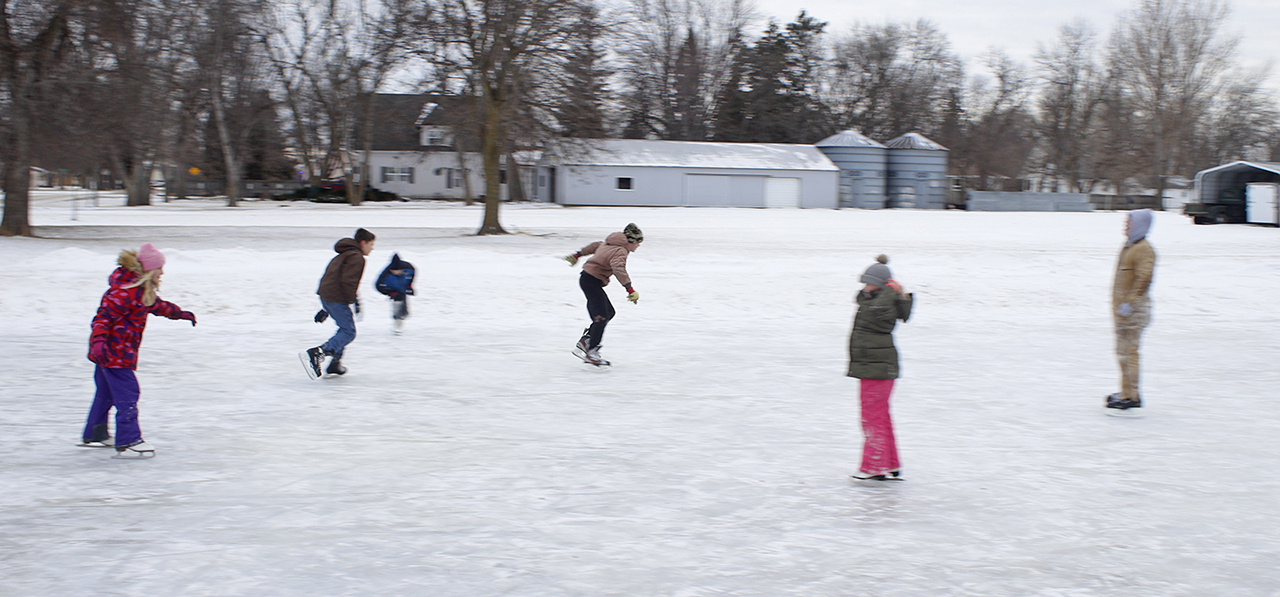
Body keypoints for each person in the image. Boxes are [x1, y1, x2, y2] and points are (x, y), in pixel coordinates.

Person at [82, 243, 197, 458]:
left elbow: (157, 306)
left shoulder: (139, 292)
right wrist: (98, 342)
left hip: (115, 353)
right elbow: (102, 318)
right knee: (128, 394)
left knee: (106, 394)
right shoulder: (124, 293)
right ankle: (129, 439)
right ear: (148, 270)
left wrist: (180, 314)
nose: (162, 273)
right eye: (159, 269)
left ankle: (95, 433)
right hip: (112, 354)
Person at [847, 255, 913, 481]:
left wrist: (893, 290)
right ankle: (890, 463)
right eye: (865, 283)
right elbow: (869, 301)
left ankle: (873, 466)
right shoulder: (878, 301)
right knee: (881, 417)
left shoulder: (882, 304)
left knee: (872, 418)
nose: (865, 287)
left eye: (870, 283)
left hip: (877, 368)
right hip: (874, 367)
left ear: (882, 285)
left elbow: (877, 306)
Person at [562, 223, 643, 366]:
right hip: (591, 281)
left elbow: (594, 246)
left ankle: (587, 340)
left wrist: (577, 254)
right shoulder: (621, 250)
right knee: (601, 317)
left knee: (609, 312)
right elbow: (618, 268)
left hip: (588, 279)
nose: (638, 246)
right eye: (638, 242)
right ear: (631, 241)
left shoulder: (609, 243)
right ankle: (591, 351)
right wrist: (629, 289)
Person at [302, 228, 375, 378]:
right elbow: (348, 281)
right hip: (336, 298)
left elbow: (332, 280)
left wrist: (326, 308)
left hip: (328, 297)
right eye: (371, 244)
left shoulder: (344, 254)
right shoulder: (356, 257)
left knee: (343, 329)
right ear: (363, 243)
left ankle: (335, 364)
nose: (372, 248)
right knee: (348, 332)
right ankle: (318, 353)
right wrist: (352, 300)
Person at [1108, 209, 1156, 414]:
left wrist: (1131, 302)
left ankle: (1132, 395)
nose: (1125, 225)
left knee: (1130, 353)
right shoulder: (1130, 246)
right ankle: (1125, 391)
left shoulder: (1144, 249)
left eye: (1129, 222)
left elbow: (1144, 278)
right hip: (1122, 311)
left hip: (1133, 312)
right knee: (1122, 353)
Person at [374, 252, 415, 334]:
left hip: (402, 287)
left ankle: (402, 316)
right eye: (394, 271)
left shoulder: (408, 268)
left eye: (399, 270)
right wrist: (389, 293)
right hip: (393, 290)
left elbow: (412, 275)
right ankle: (397, 324)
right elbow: (378, 286)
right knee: (398, 303)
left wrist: (409, 286)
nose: (397, 272)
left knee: (404, 310)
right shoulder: (385, 274)